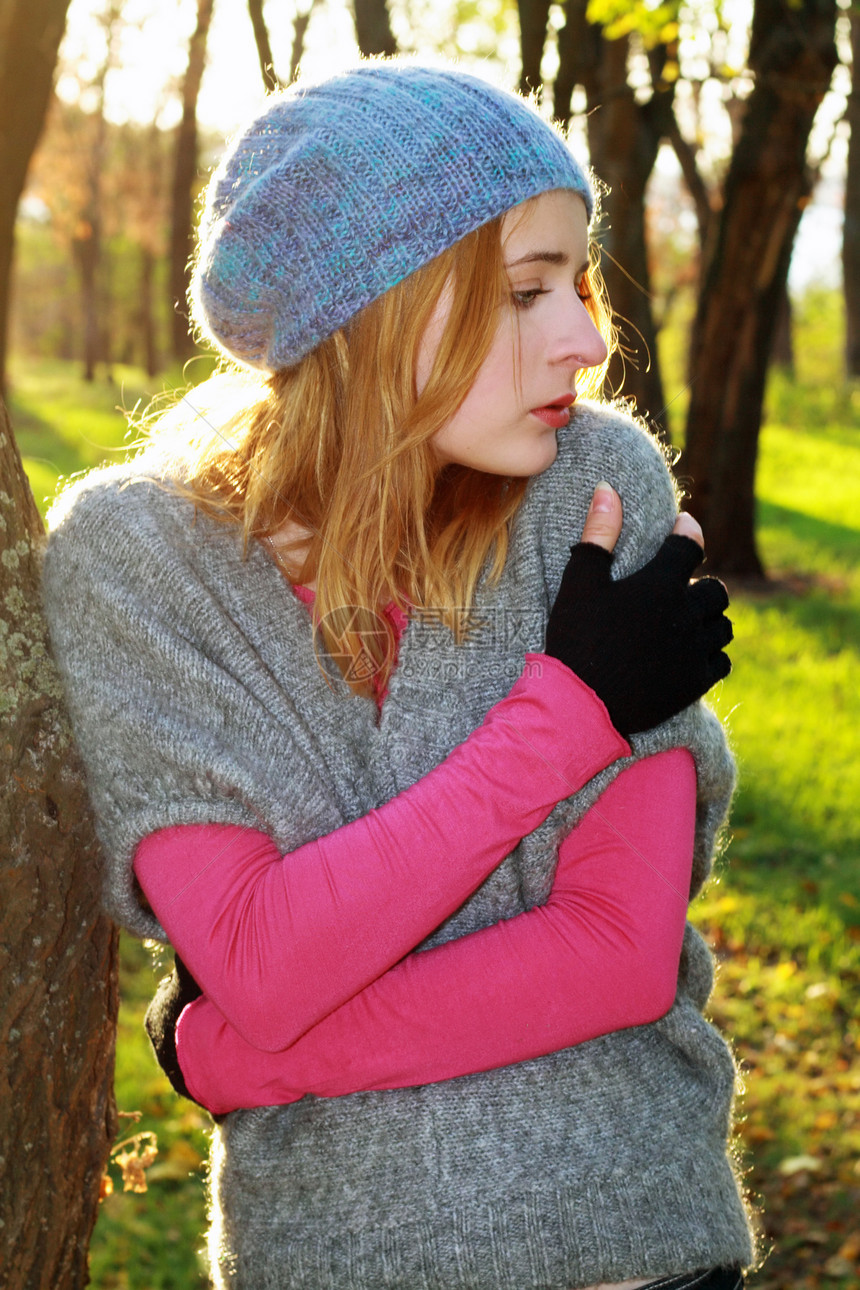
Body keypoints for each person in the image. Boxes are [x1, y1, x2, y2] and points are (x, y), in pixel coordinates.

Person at [43, 59, 754, 1290]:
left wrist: (247, 1059)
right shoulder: (140, 558)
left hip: (638, 1245)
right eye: (528, 290)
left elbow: (613, 952)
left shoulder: (592, 494)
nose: (586, 338)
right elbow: (261, 958)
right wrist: (569, 717)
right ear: (368, 308)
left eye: (577, 284)